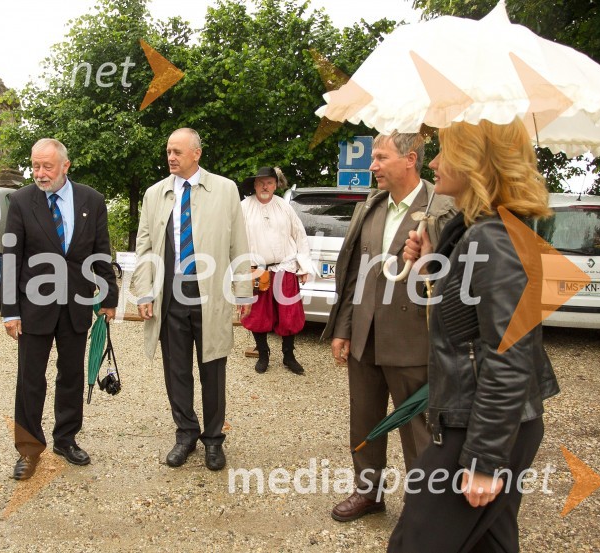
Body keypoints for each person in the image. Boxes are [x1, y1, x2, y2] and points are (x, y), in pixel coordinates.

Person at [387, 119, 560, 552]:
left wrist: (483, 461)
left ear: (477, 162)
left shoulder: (495, 237)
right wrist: (431, 261)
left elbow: (510, 356)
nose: (438, 162)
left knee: (416, 542)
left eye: (448, 152)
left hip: (482, 425)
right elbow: (468, 316)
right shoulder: (478, 227)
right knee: (489, 543)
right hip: (487, 419)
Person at [322, 132, 457, 522]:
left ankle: (424, 504)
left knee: (418, 429)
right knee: (364, 420)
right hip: (365, 337)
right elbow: (353, 278)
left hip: (414, 340)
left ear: (410, 159)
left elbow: (460, 280)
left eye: (380, 158)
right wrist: (343, 329)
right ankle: (368, 492)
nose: (372, 166)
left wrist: (430, 259)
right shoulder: (371, 207)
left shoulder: (442, 208)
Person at [133, 128, 251, 471]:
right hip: (169, 297)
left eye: (178, 152)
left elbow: (238, 245)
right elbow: (145, 247)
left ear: (196, 154)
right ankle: (185, 433)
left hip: (210, 296)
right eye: (168, 151)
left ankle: (213, 439)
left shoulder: (225, 190)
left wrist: (243, 290)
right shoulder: (155, 194)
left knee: (213, 368)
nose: (171, 157)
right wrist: (143, 290)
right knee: (177, 371)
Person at [1, 138, 118, 480]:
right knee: (30, 380)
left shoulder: (91, 200)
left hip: (76, 305)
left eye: (46, 166)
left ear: (65, 166)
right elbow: (11, 259)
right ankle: (28, 449)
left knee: (71, 376)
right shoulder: (21, 201)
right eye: (35, 166)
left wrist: (109, 297)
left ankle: (65, 439)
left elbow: (101, 250)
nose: (39, 173)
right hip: (33, 306)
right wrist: (10, 310)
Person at [239, 166, 311, 374]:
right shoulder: (244, 207)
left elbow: (300, 235)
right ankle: (263, 354)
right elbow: (234, 238)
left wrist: (304, 266)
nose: (265, 186)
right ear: (254, 184)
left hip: (285, 267)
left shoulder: (284, 207)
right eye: (261, 182)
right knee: (257, 315)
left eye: (269, 182)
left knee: (289, 314)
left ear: (276, 184)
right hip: (256, 269)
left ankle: (289, 356)